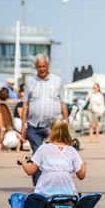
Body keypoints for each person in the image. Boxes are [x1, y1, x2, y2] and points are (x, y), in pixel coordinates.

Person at [20, 54, 68, 185]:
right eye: (39, 66)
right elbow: (25, 104)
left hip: (53, 125)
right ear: (35, 67)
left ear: (48, 66)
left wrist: (66, 122)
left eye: (44, 66)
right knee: (37, 153)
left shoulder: (57, 81)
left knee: (53, 154)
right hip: (33, 124)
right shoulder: (30, 82)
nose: (42, 69)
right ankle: (38, 185)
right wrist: (23, 125)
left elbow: (63, 102)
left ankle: (52, 183)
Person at [19, 120, 87, 195]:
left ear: (50, 131)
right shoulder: (72, 151)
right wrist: (83, 165)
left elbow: (30, 171)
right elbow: (81, 176)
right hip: (67, 193)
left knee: (31, 201)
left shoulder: (43, 149)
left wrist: (23, 161)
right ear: (67, 132)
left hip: (45, 193)